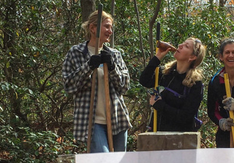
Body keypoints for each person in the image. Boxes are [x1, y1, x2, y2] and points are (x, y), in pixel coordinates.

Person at [62, 10, 131, 153]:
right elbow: (69, 86)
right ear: (93, 28)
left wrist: (112, 67)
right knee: (104, 162)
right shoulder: (76, 52)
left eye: (111, 27)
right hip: (92, 121)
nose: (110, 31)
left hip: (117, 119)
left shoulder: (114, 54)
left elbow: (124, 87)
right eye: (106, 26)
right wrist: (88, 66)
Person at [139, 37, 206, 132]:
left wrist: (159, 105)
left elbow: (186, 117)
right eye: (182, 43)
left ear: (192, 57)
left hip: (179, 139)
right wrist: (157, 58)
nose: (180, 46)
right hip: (156, 133)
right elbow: (144, 80)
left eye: (186, 46)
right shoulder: (165, 72)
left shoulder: (195, 84)